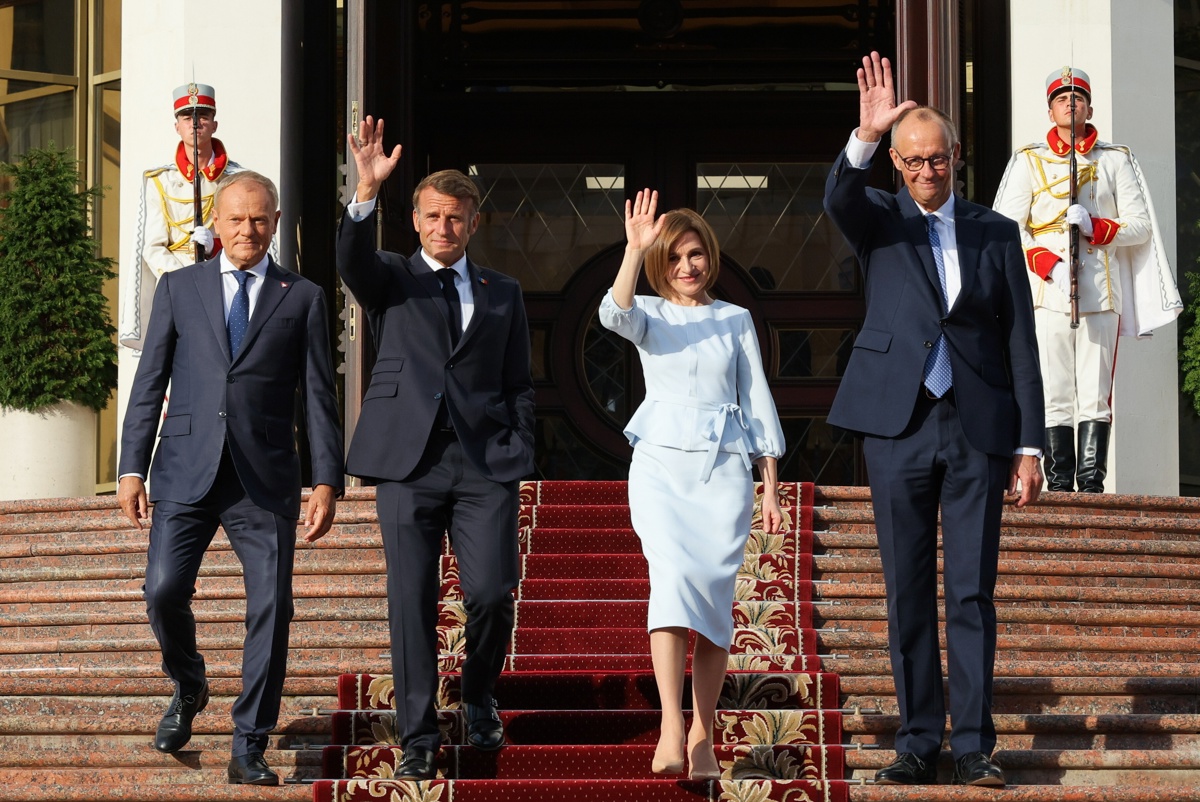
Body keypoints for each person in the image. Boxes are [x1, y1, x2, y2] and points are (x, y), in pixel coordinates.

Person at [823, 52, 1045, 787]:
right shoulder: (879, 219)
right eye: (912, 160)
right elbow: (838, 197)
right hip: (897, 425)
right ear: (897, 162)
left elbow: (1020, 340)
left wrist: (1030, 443)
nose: (927, 172)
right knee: (907, 587)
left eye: (938, 159)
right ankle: (918, 739)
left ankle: (975, 743)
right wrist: (864, 132)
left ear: (957, 157)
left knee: (972, 590)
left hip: (978, 426)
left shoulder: (996, 231)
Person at [117, 170, 343, 786]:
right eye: (236, 219)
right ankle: (190, 686)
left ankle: (250, 744)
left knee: (272, 606)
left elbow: (318, 396)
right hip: (185, 469)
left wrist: (326, 479)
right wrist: (131, 465)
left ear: (274, 223)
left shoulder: (302, 296)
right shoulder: (179, 287)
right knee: (162, 591)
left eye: (260, 219)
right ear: (216, 223)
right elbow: (150, 381)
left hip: (264, 477)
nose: (247, 230)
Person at [336, 116, 535, 780]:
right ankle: (418, 734)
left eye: (456, 217)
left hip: (483, 464)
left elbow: (518, 381)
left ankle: (478, 693)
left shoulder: (502, 292)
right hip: (407, 462)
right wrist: (365, 190)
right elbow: (351, 262)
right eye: (431, 216)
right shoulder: (392, 279)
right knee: (411, 597)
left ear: (473, 224)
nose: (443, 227)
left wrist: (519, 442)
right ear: (415, 220)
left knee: (490, 592)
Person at [599, 192, 785, 781]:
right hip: (660, 469)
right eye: (675, 256)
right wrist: (633, 249)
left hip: (723, 473)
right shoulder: (650, 312)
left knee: (710, 604)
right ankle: (672, 723)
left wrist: (771, 485)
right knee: (673, 582)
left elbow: (756, 399)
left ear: (712, 257)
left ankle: (704, 731)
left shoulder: (734, 318)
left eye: (696, 254)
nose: (687, 265)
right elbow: (614, 314)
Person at [993, 67, 1182, 492]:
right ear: (1050, 109)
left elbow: (1141, 226)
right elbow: (1005, 226)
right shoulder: (1030, 160)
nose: (1071, 103)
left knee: (1096, 394)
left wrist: (1097, 227)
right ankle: (1060, 483)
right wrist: (1048, 264)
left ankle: (1092, 484)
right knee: (1054, 389)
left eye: (1078, 97)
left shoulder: (1114, 159)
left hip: (1099, 290)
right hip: (1048, 292)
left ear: (1090, 106)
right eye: (1063, 98)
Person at [120, 82, 248, 351]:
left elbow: (250, 237)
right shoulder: (160, 180)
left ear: (214, 124)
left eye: (203, 116)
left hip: (223, 281)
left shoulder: (240, 179)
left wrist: (216, 248)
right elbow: (152, 247)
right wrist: (184, 279)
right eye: (187, 117)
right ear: (176, 126)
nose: (195, 123)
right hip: (176, 285)